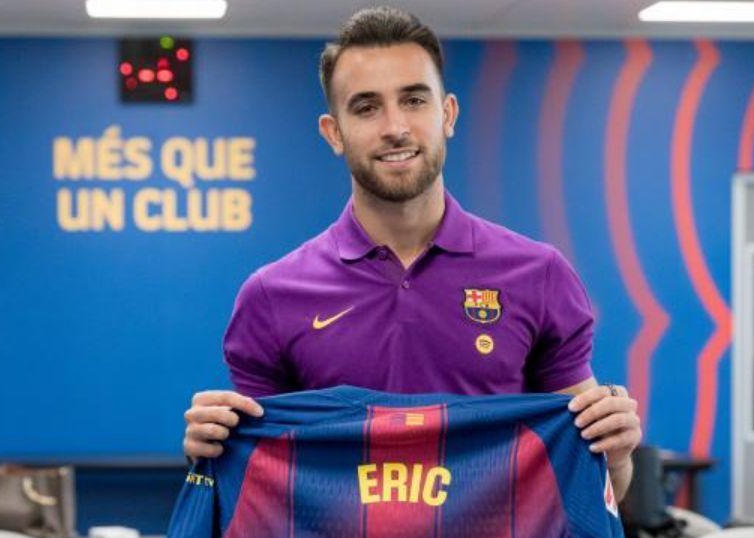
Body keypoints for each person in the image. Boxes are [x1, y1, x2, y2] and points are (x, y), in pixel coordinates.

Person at [183, 6, 641, 502]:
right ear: (333, 132)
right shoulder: (272, 297)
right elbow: (253, 493)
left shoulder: (540, 275)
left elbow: (592, 488)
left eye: (414, 100)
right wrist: (213, 453)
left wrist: (614, 455)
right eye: (366, 107)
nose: (395, 126)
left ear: (446, 114)